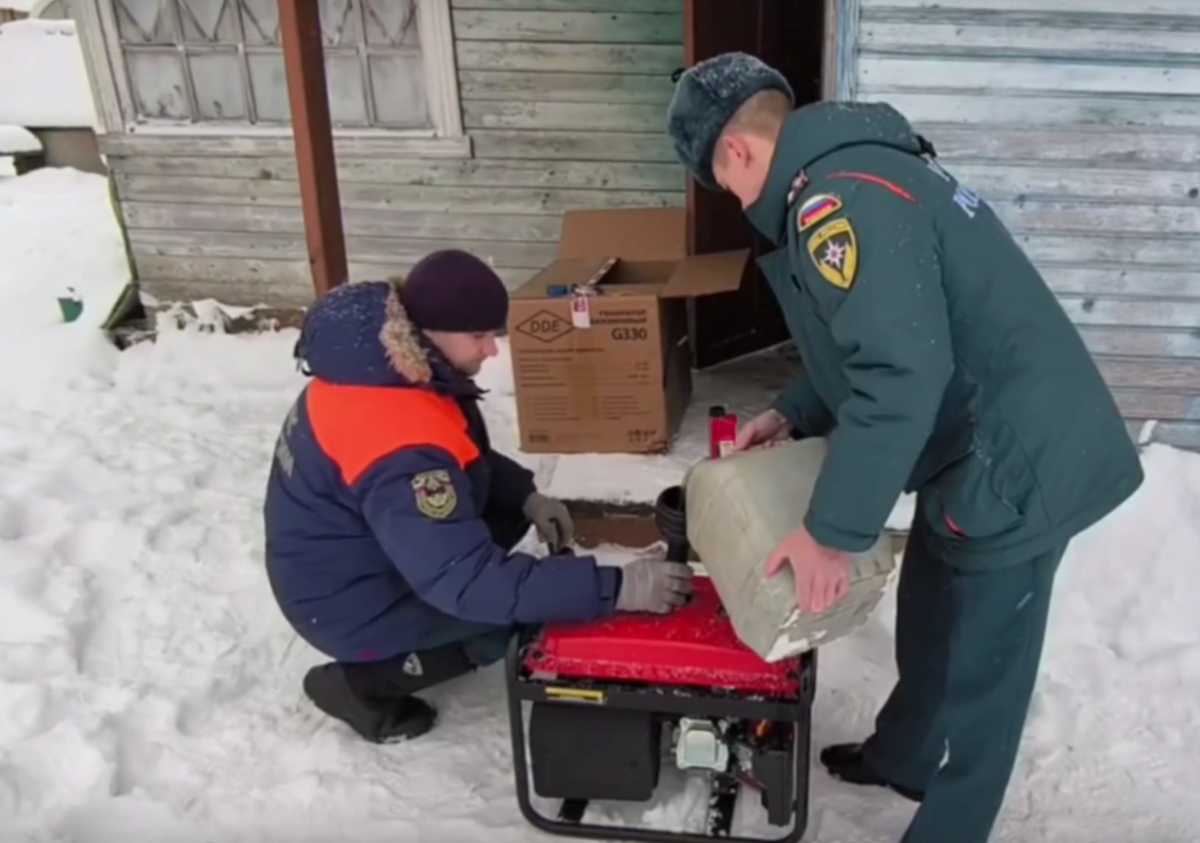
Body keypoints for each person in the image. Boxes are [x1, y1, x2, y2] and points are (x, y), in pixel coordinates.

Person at [666, 53, 1143, 843]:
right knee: (929, 609)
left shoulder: (838, 201)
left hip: (1020, 458)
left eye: (728, 186)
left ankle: (948, 824)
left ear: (739, 152)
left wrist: (832, 533)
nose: (739, 204)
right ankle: (907, 753)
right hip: (972, 445)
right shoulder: (851, 175)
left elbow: (899, 373)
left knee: (987, 671)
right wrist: (793, 410)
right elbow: (877, 340)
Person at [263, 250, 693, 743]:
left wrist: (526, 497)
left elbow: (458, 454)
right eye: (480, 336)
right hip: (346, 603)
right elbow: (466, 583)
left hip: (344, 556)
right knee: (508, 622)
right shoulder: (397, 438)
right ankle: (358, 685)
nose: (492, 351)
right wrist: (616, 588)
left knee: (500, 546)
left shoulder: (381, 364)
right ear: (431, 328)